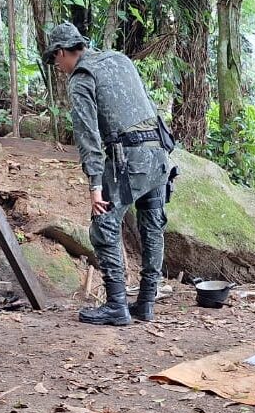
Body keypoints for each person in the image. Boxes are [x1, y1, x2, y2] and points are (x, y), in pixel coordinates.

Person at [43, 22, 170, 326]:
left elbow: (88, 137)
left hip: (130, 160)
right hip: (159, 154)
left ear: (63, 52)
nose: (56, 67)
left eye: (54, 60)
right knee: (151, 225)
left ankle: (116, 305)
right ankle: (146, 303)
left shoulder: (81, 79)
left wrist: (95, 186)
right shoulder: (119, 60)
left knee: (102, 224)